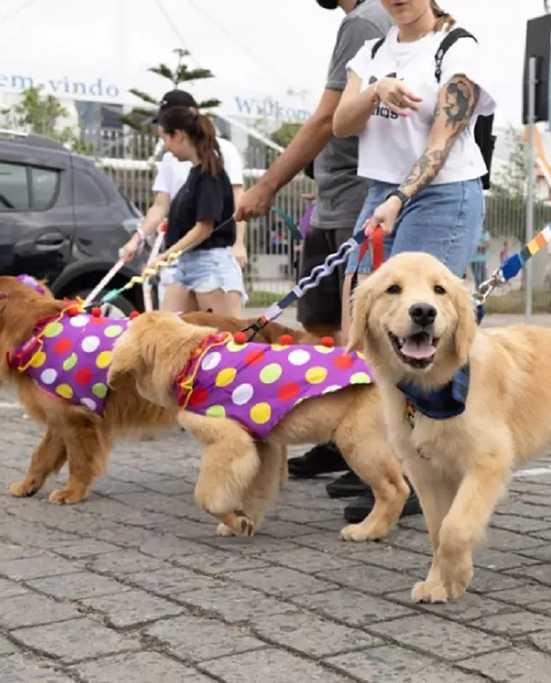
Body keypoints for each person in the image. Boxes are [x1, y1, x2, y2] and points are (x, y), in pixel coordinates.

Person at [233, 0, 411, 522]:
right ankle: (344, 431)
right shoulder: (363, 22)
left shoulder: (366, 19)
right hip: (335, 198)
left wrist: (267, 185)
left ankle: (390, 457)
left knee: (366, 331)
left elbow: (325, 121)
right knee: (322, 322)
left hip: (362, 198)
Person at [335, 0, 495, 283]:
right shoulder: (371, 52)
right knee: (358, 307)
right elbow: (341, 125)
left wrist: (399, 198)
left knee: (413, 311)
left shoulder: (456, 47)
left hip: (443, 193)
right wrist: (376, 90)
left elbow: (440, 144)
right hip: (381, 192)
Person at [123, 90, 246, 308]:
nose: (166, 147)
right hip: (186, 264)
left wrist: (164, 256)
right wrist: (139, 238)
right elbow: (161, 205)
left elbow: (204, 227)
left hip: (211, 266)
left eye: (166, 139)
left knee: (227, 338)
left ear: (178, 135)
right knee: (169, 332)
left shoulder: (211, 174)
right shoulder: (193, 173)